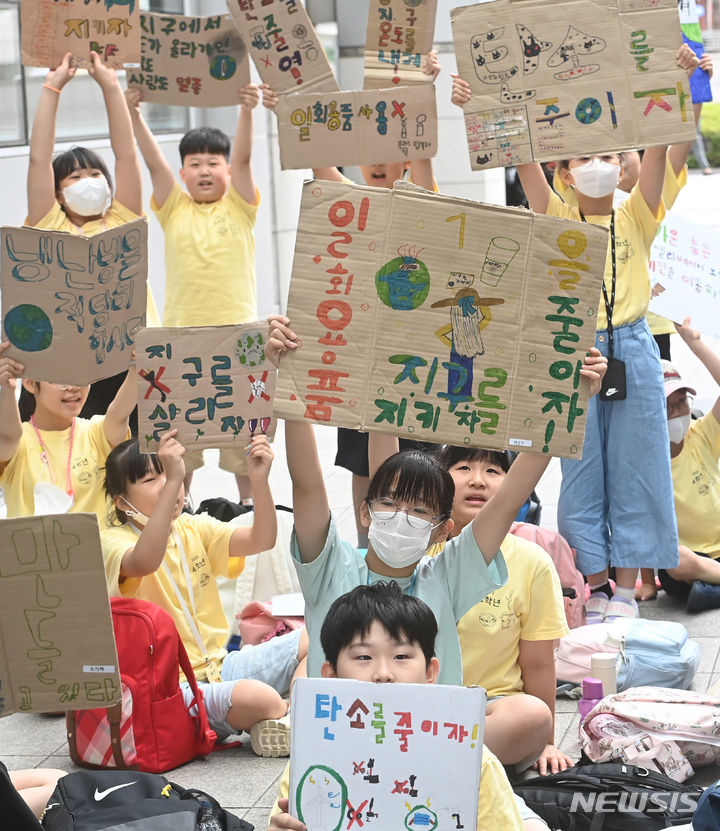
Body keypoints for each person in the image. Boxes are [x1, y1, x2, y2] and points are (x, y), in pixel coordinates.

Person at [452, 45, 698, 624]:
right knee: (581, 468)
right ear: (564, 171)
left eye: (610, 155)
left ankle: (631, 590)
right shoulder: (555, 213)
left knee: (640, 465)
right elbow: (518, 154)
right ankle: (592, 586)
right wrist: (478, 103)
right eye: (584, 157)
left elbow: (660, 146)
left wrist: (675, 79)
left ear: (624, 162)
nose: (600, 165)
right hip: (573, 353)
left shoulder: (638, 211)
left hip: (634, 347)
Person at [266, 315, 606, 683]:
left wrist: (568, 405)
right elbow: (307, 484)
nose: (400, 517)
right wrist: (291, 379)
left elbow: (508, 500)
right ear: (365, 512)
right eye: (390, 504)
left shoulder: (446, 578)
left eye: (419, 510)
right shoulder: (330, 567)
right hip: (338, 736)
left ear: (443, 529)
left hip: (426, 738)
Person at [260, 53, 441, 548]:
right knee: (362, 462)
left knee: (420, 461)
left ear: (406, 156)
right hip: (360, 355)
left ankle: (426, 550)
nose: (378, 163)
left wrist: (422, 93)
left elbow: (422, 156)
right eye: (369, 153)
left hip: (415, 360)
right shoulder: (348, 203)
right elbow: (322, 158)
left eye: (389, 152)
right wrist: (291, 107)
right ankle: (368, 551)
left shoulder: (426, 198)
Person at [267, 583, 549, 831]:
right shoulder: (312, 762)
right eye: (363, 656)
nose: (383, 673)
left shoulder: (472, 760)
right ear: (330, 675)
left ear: (430, 672)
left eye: (401, 655)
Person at [100, 430, 308, 757]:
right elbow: (143, 560)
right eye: (153, 478)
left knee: (317, 636)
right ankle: (279, 712)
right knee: (259, 697)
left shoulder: (193, 527)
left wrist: (259, 480)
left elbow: (262, 538)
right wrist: (173, 483)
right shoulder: (113, 541)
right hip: (172, 691)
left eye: (171, 474)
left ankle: (285, 719)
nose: (171, 484)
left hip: (220, 667)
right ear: (121, 502)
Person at [124, 84, 262, 503]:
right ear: (182, 173)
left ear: (227, 172)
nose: (204, 170)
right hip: (181, 341)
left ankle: (251, 510)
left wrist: (246, 109)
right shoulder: (173, 208)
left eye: (213, 163)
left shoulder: (241, 205)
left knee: (245, 442)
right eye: (194, 163)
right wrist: (134, 114)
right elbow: (152, 161)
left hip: (239, 338)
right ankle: (177, 513)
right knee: (181, 442)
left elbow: (244, 157)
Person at [25, 51, 159, 429]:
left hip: (128, 360)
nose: (87, 181)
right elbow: (38, 159)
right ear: (57, 192)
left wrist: (110, 84)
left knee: (137, 457)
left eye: (94, 173)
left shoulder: (122, 218)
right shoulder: (47, 223)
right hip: (62, 367)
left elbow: (126, 154)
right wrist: (52, 86)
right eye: (74, 177)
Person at [434, 445, 571, 774]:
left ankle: (429, 757)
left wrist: (547, 741)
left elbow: (538, 663)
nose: (478, 481)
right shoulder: (419, 550)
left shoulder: (531, 561)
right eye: (463, 467)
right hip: (423, 706)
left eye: (493, 471)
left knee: (530, 716)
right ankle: (447, 758)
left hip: (493, 710)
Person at [0, 342, 136, 521]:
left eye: (81, 377)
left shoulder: (95, 432)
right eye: (60, 379)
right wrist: (7, 389)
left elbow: (119, 414)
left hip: (99, 548)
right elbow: (8, 436)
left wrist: (136, 371)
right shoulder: (19, 441)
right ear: (30, 383)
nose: (73, 387)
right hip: (35, 548)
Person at [647, 320, 720, 612]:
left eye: (683, 402)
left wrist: (695, 343)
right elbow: (641, 523)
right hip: (688, 561)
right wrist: (648, 583)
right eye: (668, 406)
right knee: (674, 560)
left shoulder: (701, 433)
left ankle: (710, 588)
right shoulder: (644, 460)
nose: (678, 412)